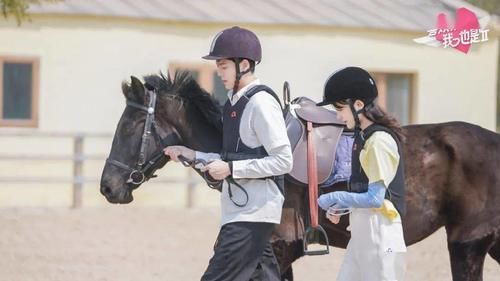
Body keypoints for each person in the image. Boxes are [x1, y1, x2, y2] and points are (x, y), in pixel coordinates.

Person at [164, 26, 292, 281]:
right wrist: (192, 153)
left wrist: (232, 170)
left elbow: (283, 161)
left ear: (243, 64)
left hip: (252, 214)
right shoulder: (234, 103)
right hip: (241, 211)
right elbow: (230, 157)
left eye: (223, 66)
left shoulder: (261, 103)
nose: (219, 73)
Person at [317, 66, 407, 281]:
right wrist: (342, 206)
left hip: (380, 237)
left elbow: (375, 198)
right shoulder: (363, 137)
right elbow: (363, 187)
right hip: (362, 234)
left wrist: (334, 197)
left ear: (358, 105)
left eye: (340, 108)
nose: (338, 116)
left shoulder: (378, 141)